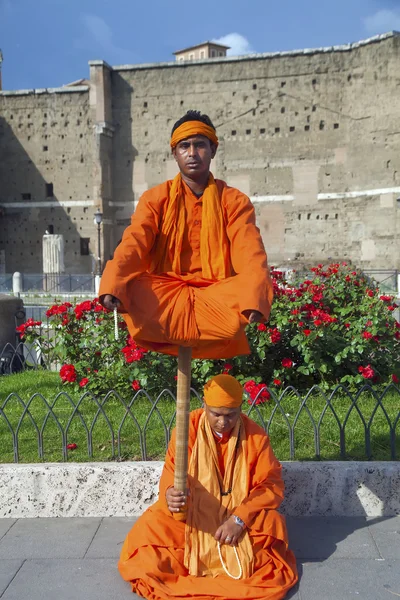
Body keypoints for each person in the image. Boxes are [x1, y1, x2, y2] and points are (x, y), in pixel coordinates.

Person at [99, 110, 273, 359]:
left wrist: (254, 296)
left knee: (244, 290)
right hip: (165, 294)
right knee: (133, 287)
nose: (192, 153)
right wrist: (114, 283)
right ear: (174, 153)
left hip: (217, 294)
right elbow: (134, 243)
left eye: (200, 145)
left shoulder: (234, 201)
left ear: (213, 150)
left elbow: (249, 250)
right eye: (184, 146)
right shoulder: (155, 199)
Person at [118, 374, 298, 599]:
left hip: (238, 514)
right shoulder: (187, 428)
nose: (223, 422)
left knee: (271, 529)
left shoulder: (256, 436)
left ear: (240, 409)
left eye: (231, 415)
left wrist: (238, 520)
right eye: (216, 414)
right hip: (193, 515)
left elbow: (270, 485)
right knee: (150, 530)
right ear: (204, 406)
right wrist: (170, 493)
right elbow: (172, 471)